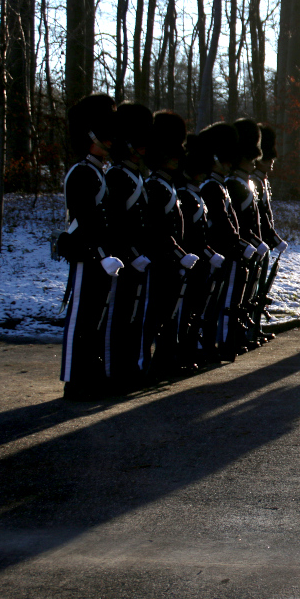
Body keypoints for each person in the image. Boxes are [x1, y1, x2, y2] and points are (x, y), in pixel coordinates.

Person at [58, 93, 122, 400]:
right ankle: (74, 379)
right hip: (87, 254)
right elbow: (86, 218)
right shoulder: (82, 171)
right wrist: (101, 255)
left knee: (95, 317)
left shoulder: (98, 170)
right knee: (80, 319)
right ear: (90, 136)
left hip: (100, 256)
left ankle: (89, 373)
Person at [142, 111, 199, 378]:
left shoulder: (167, 185)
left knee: (170, 314)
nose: (176, 157)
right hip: (160, 260)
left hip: (172, 260)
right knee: (157, 315)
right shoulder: (155, 185)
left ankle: (166, 360)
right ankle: (152, 363)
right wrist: (178, 253)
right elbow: (158, 230)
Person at [102, 102, 153, 386]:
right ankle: (116, 371)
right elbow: (118, 224)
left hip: (139, 257)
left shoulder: (135, 176)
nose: (142, 149)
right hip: (124, 258)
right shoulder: (117, 176)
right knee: (119, 317)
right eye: (137, 143)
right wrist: (131, 254)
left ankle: (130, 366)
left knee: (134, 316)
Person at [198, 122, 258, 362]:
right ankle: (218, 343)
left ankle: (222, 342)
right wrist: (239, 244)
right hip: (219, 251)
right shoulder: (211, 185)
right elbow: (221, 224)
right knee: (216, 302)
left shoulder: (219, 184)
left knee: (225, 301)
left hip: (228, 250)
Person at [176, 132, 225, 367]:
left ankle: (190, 349)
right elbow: (190, 237)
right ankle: (182, 352)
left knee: (196, 309)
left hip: (200, 259)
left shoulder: (195, 192)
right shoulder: (185, 194)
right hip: (188, 260)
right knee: (184, 311)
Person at [227, 118, 269, 350]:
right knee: (234, 297)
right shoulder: (234, 183)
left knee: (247, 293)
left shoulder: (244, 182)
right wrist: (251, 242)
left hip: (249, 246)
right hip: (240, 247)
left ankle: (240, 332)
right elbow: (239, 223)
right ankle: (230, 336)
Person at [251, 123, 288, 342]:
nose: (272, 163)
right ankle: (249, 327)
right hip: (257, 242)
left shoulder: (261, 180)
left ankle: (254, 325)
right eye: (268, 159)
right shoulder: (254, 180)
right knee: (253, 288)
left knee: (259, 287)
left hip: (263, 242)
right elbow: (260, 216)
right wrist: (271, 237)